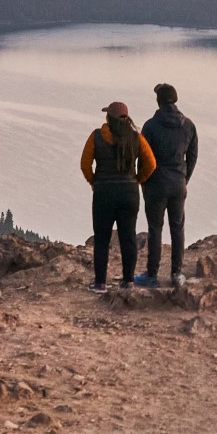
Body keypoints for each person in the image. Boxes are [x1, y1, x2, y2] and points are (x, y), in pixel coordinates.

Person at [79, 101, 156, 291]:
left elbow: (85, 164)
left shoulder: (97, 136)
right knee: (128, 237)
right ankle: (128, 281)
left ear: (108, 118)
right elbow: (151, 163)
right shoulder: (136, 138)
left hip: (104, 192)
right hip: (129, 193)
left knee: (102, 238)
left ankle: (100, 283)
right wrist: (138, 179)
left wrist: (94, 182)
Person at [137, 82, 198, 288]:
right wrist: (184, 178)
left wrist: (143, 180)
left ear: (159, 101)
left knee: (155, 228)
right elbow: (192, 156)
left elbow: (143, 157)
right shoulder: (188, 125)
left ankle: (152, 275)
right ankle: (176, 274)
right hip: (178, 183)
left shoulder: (150, 126)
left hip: (156, 184)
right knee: (177, 228)